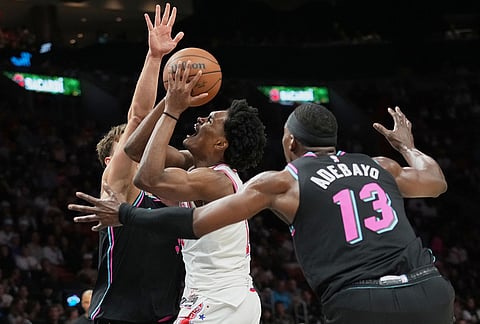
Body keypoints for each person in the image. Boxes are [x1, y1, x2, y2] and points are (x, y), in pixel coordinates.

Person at [69, 105, 455, 323]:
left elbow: (195, 223)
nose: (200, 121)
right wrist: (408, 146)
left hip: (358, 299)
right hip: (429, 288)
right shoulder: (380, 165)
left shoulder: (281, 182)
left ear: (289, 141)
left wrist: (126, 214)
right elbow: (435, 181)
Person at [118, 59, 267, 323]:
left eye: (210, 120)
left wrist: (173, 112)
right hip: (219, 299)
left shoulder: (216, 182)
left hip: (221, 302)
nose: (199, 118)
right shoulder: (194, 165)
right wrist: (168, 99)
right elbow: (134, 150)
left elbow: (147, 179)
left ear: (221, 143)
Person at [85, 3, 185, 323]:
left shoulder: (168, 190)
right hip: (119, 315)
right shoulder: (117, 188)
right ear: (110, 162)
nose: (137, 152)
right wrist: (155, 58)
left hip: (166, 314)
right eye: (129, 150)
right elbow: (138, 117)